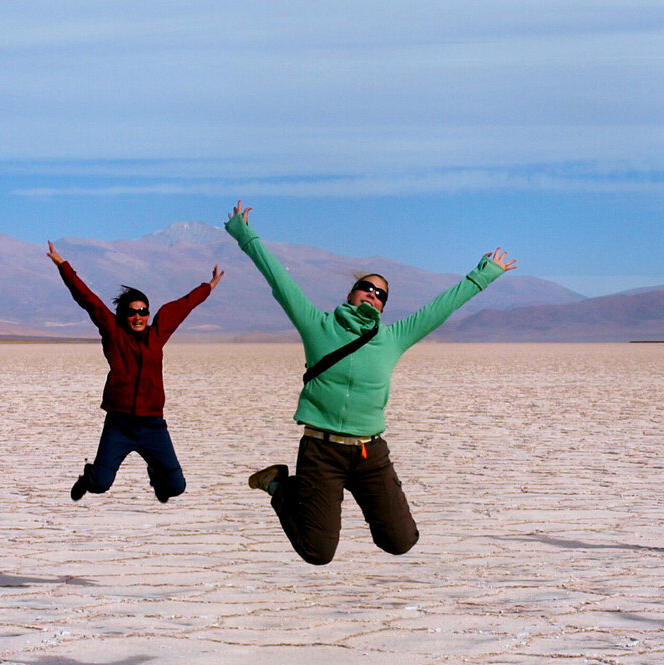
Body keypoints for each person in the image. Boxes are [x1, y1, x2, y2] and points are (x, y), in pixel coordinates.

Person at [226, 200, 516, 565]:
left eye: (381, 294)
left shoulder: (393, 338)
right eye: (366, 287)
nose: (373, 295)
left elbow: (440, 308)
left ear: (383, 307)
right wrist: (245, 235)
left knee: (400, 541)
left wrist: (483, 275)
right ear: (350, 293)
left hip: (369, 454)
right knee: (317, 552)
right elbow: (279, 280)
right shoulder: (318, 326)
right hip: (321, 452)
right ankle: (279, 485)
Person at [48, 240, 222, 502]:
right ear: (122, 315)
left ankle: (156, 475)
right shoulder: (114, 335)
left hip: (153, 425)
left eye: (143, 311)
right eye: (132, 312)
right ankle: (88, 476)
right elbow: (89, 301)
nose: (138, 316)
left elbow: (183, 307)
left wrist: (207, 287)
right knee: (99, 484)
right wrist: (64, 267)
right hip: (120, 424)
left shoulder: (157, 334)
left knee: (175, 487)